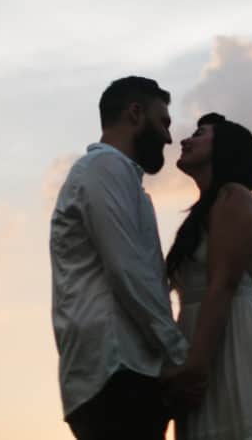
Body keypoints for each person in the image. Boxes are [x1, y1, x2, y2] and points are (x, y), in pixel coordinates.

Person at [50, 76, 202, 440]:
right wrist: (180, 354)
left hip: (121, 371)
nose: (168, 138)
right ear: (135, 114)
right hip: (118, 370)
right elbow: (127, 270)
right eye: (163, 122)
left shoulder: (117, 178)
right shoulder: (105, 168)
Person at [166, 112, 252, 440]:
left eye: (200, 133)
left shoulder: (234, 196)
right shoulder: (203, 211)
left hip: (232, 341)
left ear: (225, 147)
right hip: (201, 341)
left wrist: (196, 367)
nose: (185, 140)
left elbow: (222, 284)